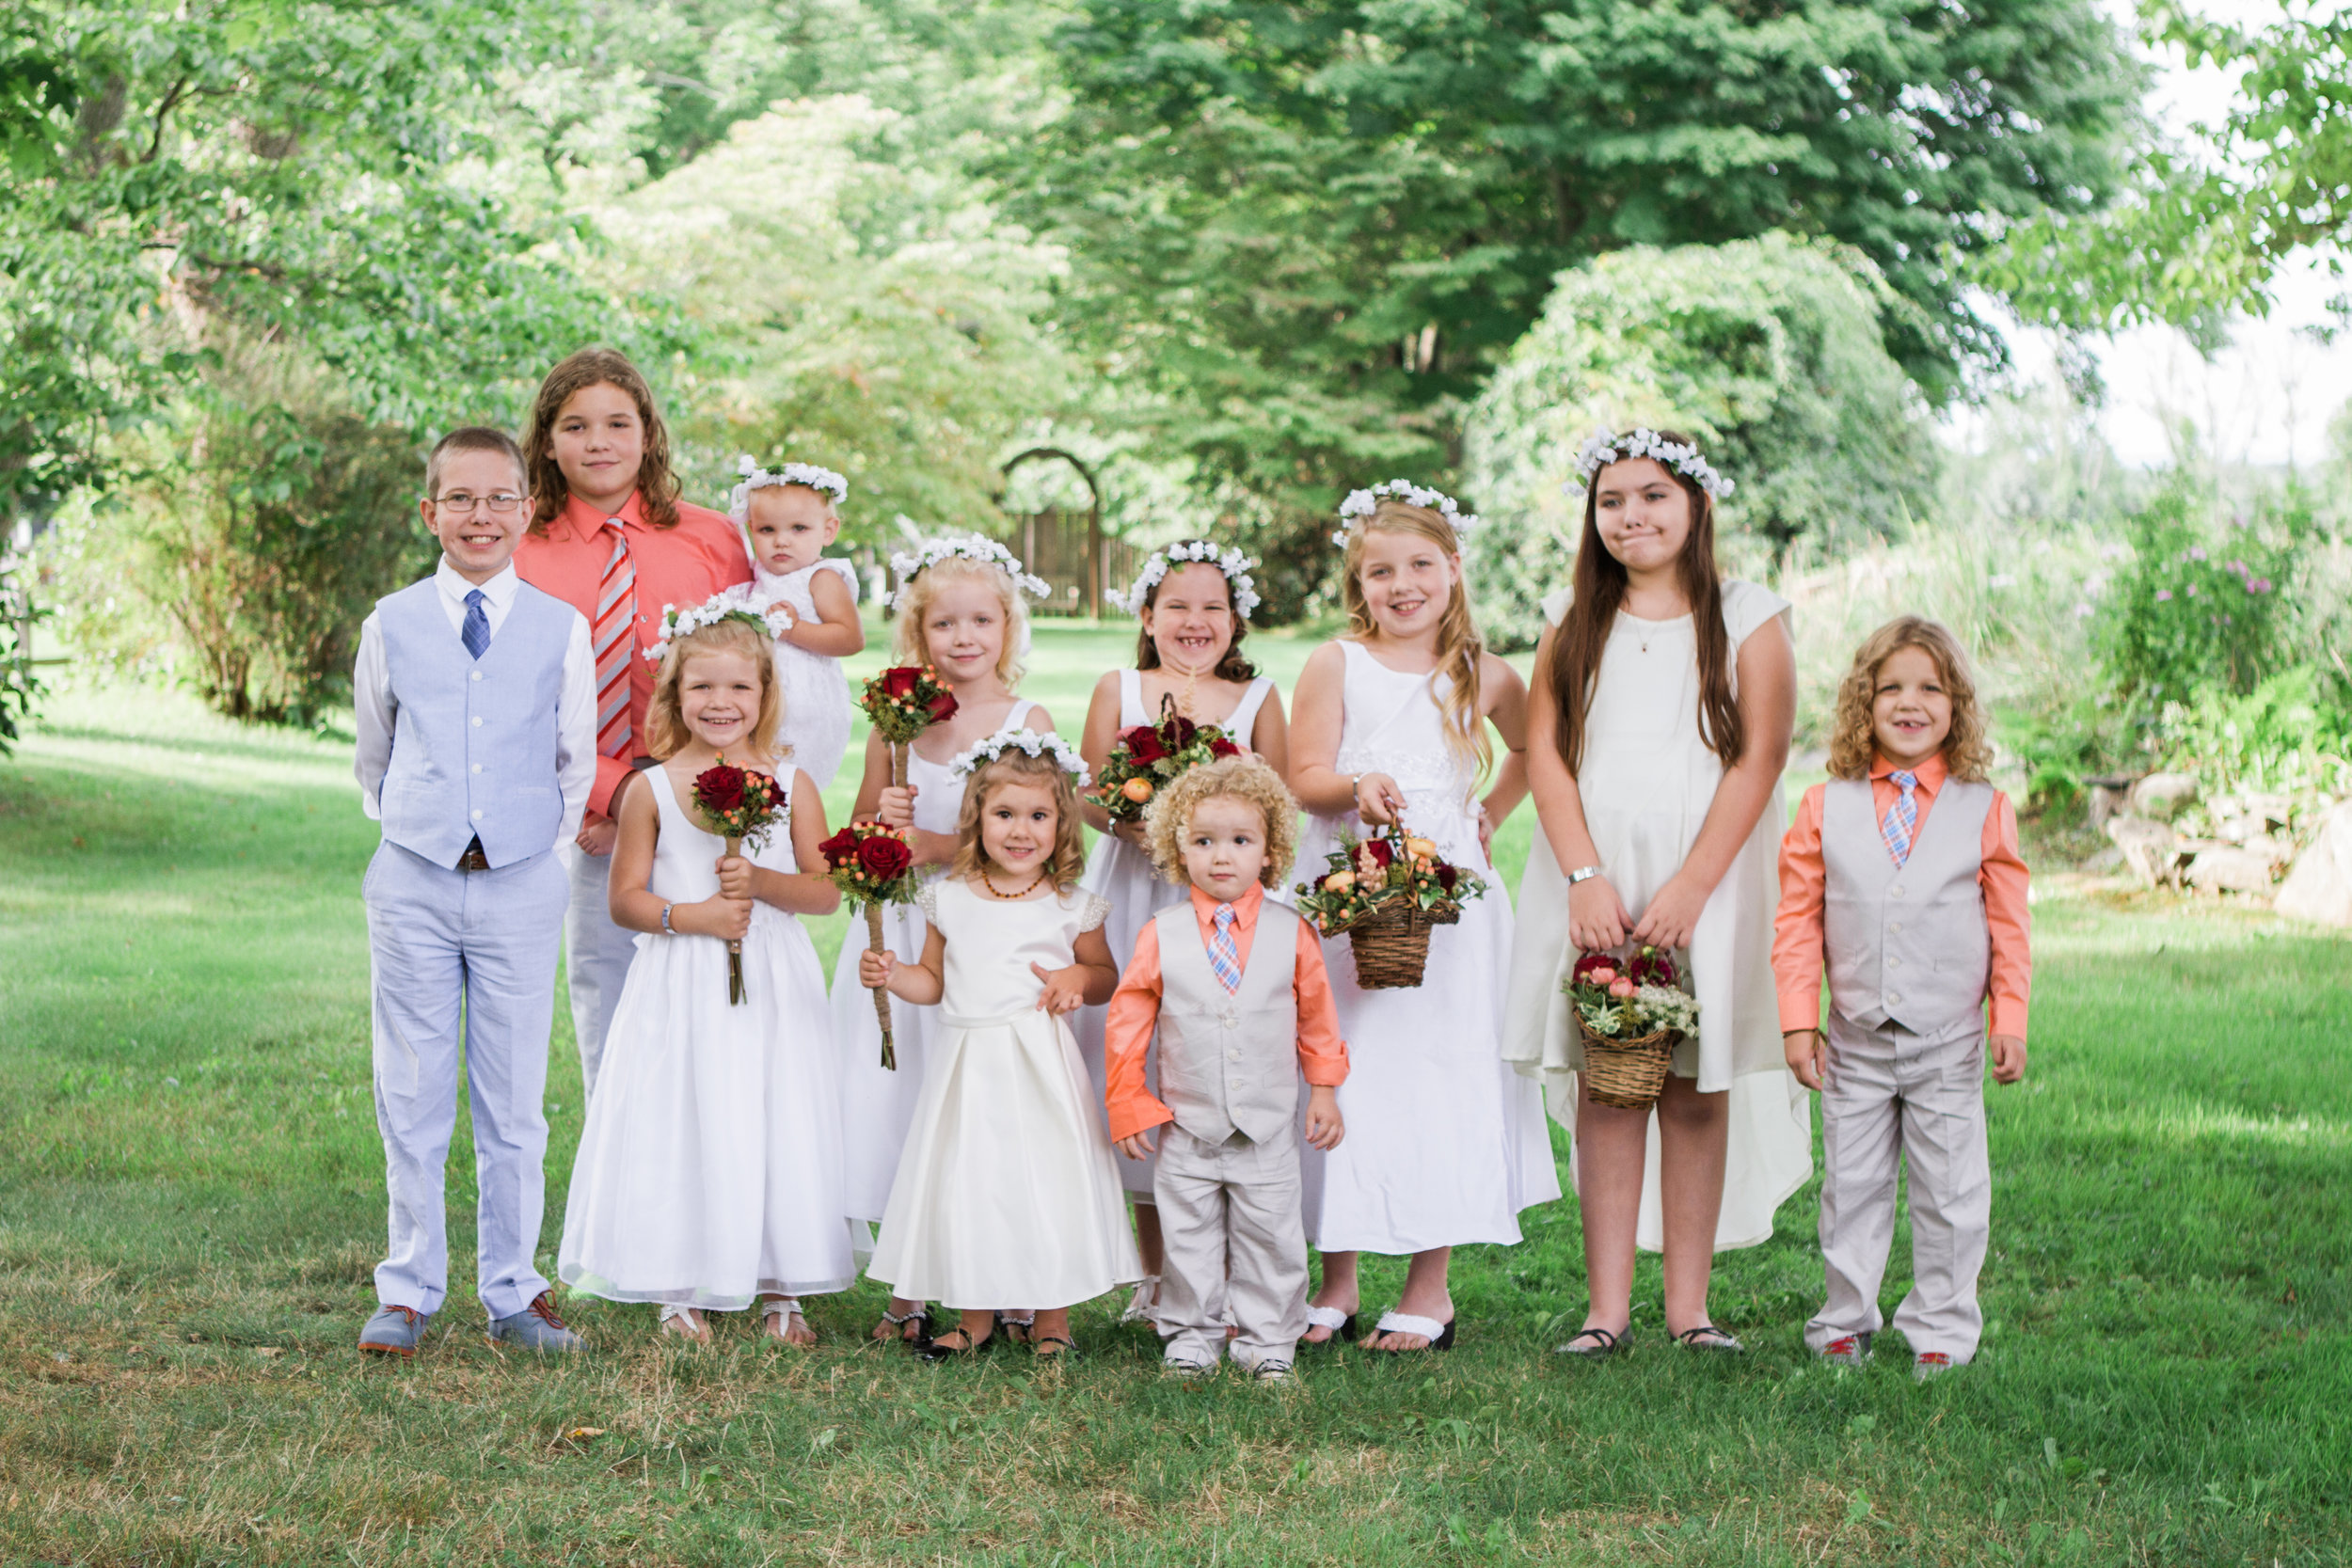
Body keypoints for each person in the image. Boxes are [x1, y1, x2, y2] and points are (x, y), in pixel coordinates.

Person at [1501, 428, 1811, 1360]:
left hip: (1704, 873)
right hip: (1597, 869)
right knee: (1611, 1074)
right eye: (1610, 501)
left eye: (1651, 497)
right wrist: (1582, 875)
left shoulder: (1749, 614)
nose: (1629, 516)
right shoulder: (1576, 618)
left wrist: (1693, 886)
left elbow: (1759, 756)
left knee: (1691, 1084)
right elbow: (1547, 753)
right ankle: (1606, 1310)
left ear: (1695, 506)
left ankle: (1690, 1307)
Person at [1285, 481, 1559, 1353]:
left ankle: (1430, 1288)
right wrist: (1353, 789)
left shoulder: (1488, 674)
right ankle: (1336, 1279)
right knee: (1342, 1068)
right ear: (1356, 585)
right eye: (1378, 572)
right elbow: (1304, 774)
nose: (1400, 585)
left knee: (1438, 1069)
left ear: (1453, 569)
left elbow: (1532, 751)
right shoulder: (1338, 661)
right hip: (1350, 877)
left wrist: (1488, 811)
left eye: (1419, 566)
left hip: (1447, 896)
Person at [352, 426, 594, 1357]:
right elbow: (373, 754)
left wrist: (538, 847)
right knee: (409, 1089)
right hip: (412, 876)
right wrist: (421, 826)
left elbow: (574, 761)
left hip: (524, 881)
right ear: (431, 513)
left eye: (500, 497)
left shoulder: (558, 628)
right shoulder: (392, 621)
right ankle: (407, 1288)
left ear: (527, 509)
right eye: (461, 498)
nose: (480, 514)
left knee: (513, 1098)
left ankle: (514, 1290)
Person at [556, 598, 854, 1345]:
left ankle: (783, 1281)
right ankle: (677, 1280)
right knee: (684, 1109)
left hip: (773, 974)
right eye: (702, 689)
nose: (721, 704)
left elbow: (822, 890)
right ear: (674, 695)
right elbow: (624, 900)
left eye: (739, 689)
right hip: (681, 974)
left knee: (776, 1108)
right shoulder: (649, 789)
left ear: (765, 695)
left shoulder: (792, 783)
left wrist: (756, 883)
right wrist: (695, 917)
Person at [1775, 616, 2030, 1378]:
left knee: (1951, 1191)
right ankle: (1845, 1321)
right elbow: (1798, 921)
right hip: (1854, 1035)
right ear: (1865, 701)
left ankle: (1942, 1328)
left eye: (1931, 687)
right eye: (1891, 688)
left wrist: (2007, 1017)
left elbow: (2010, 926)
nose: (1910, 702)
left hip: (1947, 1037)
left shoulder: (1983, 807)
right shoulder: (1825, 805)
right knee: (1850, 1186)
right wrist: (1798, 1021)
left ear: (1957, 704)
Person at [827, 535, 1055, 1346]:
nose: (964, 638)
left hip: (984, 934)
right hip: (907, 921)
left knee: (984, 1103)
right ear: (917, 635)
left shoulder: (1025, 720)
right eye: (944, 623)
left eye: (981, 621)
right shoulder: (899, 724)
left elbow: (1041, 838)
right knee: (904, 1097)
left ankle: (1011, 1275)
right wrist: (874, 837)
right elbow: (859, 821)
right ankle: (914, 1281)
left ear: (1008, 627)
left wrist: (929, 845)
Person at [512, 347, 752, 1099]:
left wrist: (669, 795)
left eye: (619, 422)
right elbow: (518, 701)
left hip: (704, 805)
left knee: (712, 993)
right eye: (576, 425)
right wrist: (615, 799)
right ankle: (617, 1180)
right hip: (581, 816)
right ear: (547, 441)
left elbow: (747, 676)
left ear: (648, 434)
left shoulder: (712, 540)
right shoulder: (520, 547)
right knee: (605, 988)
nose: (599, 441)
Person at [861, 734, 1141, 1360]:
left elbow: (1104, 977)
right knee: (972, 1181)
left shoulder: (1073, 905)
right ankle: (975, 1315)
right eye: (1004, 814)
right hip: (968, 1066)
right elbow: (932, 982)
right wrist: (894, 973)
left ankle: (1051, 1318)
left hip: (1039, 1064)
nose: (1021, 830)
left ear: (1062, 823)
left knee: (1047, 1180)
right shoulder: (950, 898)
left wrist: (1077, 978)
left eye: (1038, 816)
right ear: (976, 818)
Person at [1074, 541, 1288, 1323]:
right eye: (1177, 606)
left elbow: (1279, 800)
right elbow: (1090, 794)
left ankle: (1230, 1269)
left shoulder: (1259, 695)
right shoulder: (1120, 688)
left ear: (1235, 620)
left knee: (1213, 1059)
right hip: (1136, 892)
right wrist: (1139, 820)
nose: (1194, 622)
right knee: (1141, 1059)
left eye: (1212, 608)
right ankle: (1159, 1270)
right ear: (1146, 615)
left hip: (1224, 905)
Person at [1103, 757, 1347, 1382]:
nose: (1222, 856)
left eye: (1241, 840)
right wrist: (1128, 1101)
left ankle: (1270, 1340)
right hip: (1187, 1124)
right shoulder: (1162, 933)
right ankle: (1191, 1334)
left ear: (1269, 850)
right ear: (1176, 847)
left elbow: (1317, 1019)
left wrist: (1323, 1090)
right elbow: (1128, 1023)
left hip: (1267, 1127)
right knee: (1187, 1235)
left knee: (1272, 1236)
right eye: (1203, 840)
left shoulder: (1293, 933)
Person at [730, 457, 864, 789]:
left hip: (807, 703)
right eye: (767, 530)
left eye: (798, 528)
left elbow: (850, 638)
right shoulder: (755, 577)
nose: (781, 541)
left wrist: (794, 630)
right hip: (760, 698)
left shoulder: (822, 578)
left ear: (828, 530)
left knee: (796, 786)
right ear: (751, 531)